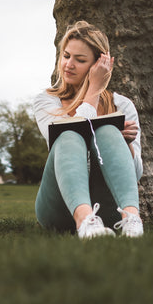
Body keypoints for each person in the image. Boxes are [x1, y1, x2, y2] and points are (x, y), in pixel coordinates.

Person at [33, 21, 144, 239]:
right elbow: (70, 132)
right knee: (68, 134)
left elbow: (137, 174)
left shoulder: (123, 105)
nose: (69, 65)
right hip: (58, 208)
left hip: (109, 207)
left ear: (98, 64)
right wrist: (94, 89)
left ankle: (132, 220)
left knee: (108, 132)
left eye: (80, 60)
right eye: (66, 56)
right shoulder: (46, 101)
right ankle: (85, 221)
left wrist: (126, 144)